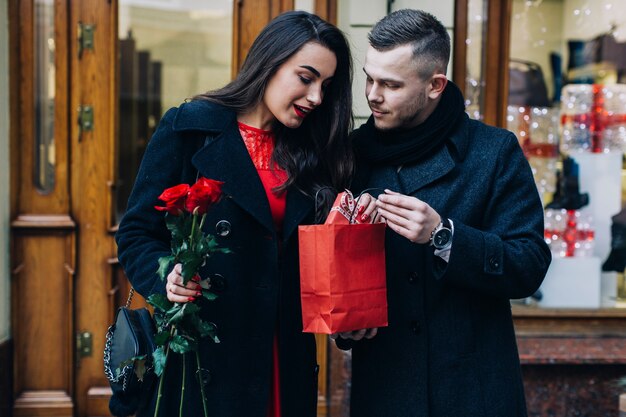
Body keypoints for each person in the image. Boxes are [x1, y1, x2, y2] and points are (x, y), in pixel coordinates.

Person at [115, 10, 353, 417]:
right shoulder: (189, 128)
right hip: (207, 353)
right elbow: (137, 230)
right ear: (269, 63)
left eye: (325, 86)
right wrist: (168, 274)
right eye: (306, 77)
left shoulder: (315, 152)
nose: (316, 97)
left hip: (282, 350)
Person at [334, 9, 551, 417]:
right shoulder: (351, 156)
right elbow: (334, 271)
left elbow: (530, 264)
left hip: (473, 390)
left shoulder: (494, 151)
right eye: (369, 77)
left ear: (435, 85)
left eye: (391, 84)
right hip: (385, 388)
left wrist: (444, 235)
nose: (372, 94)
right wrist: (346, 323)